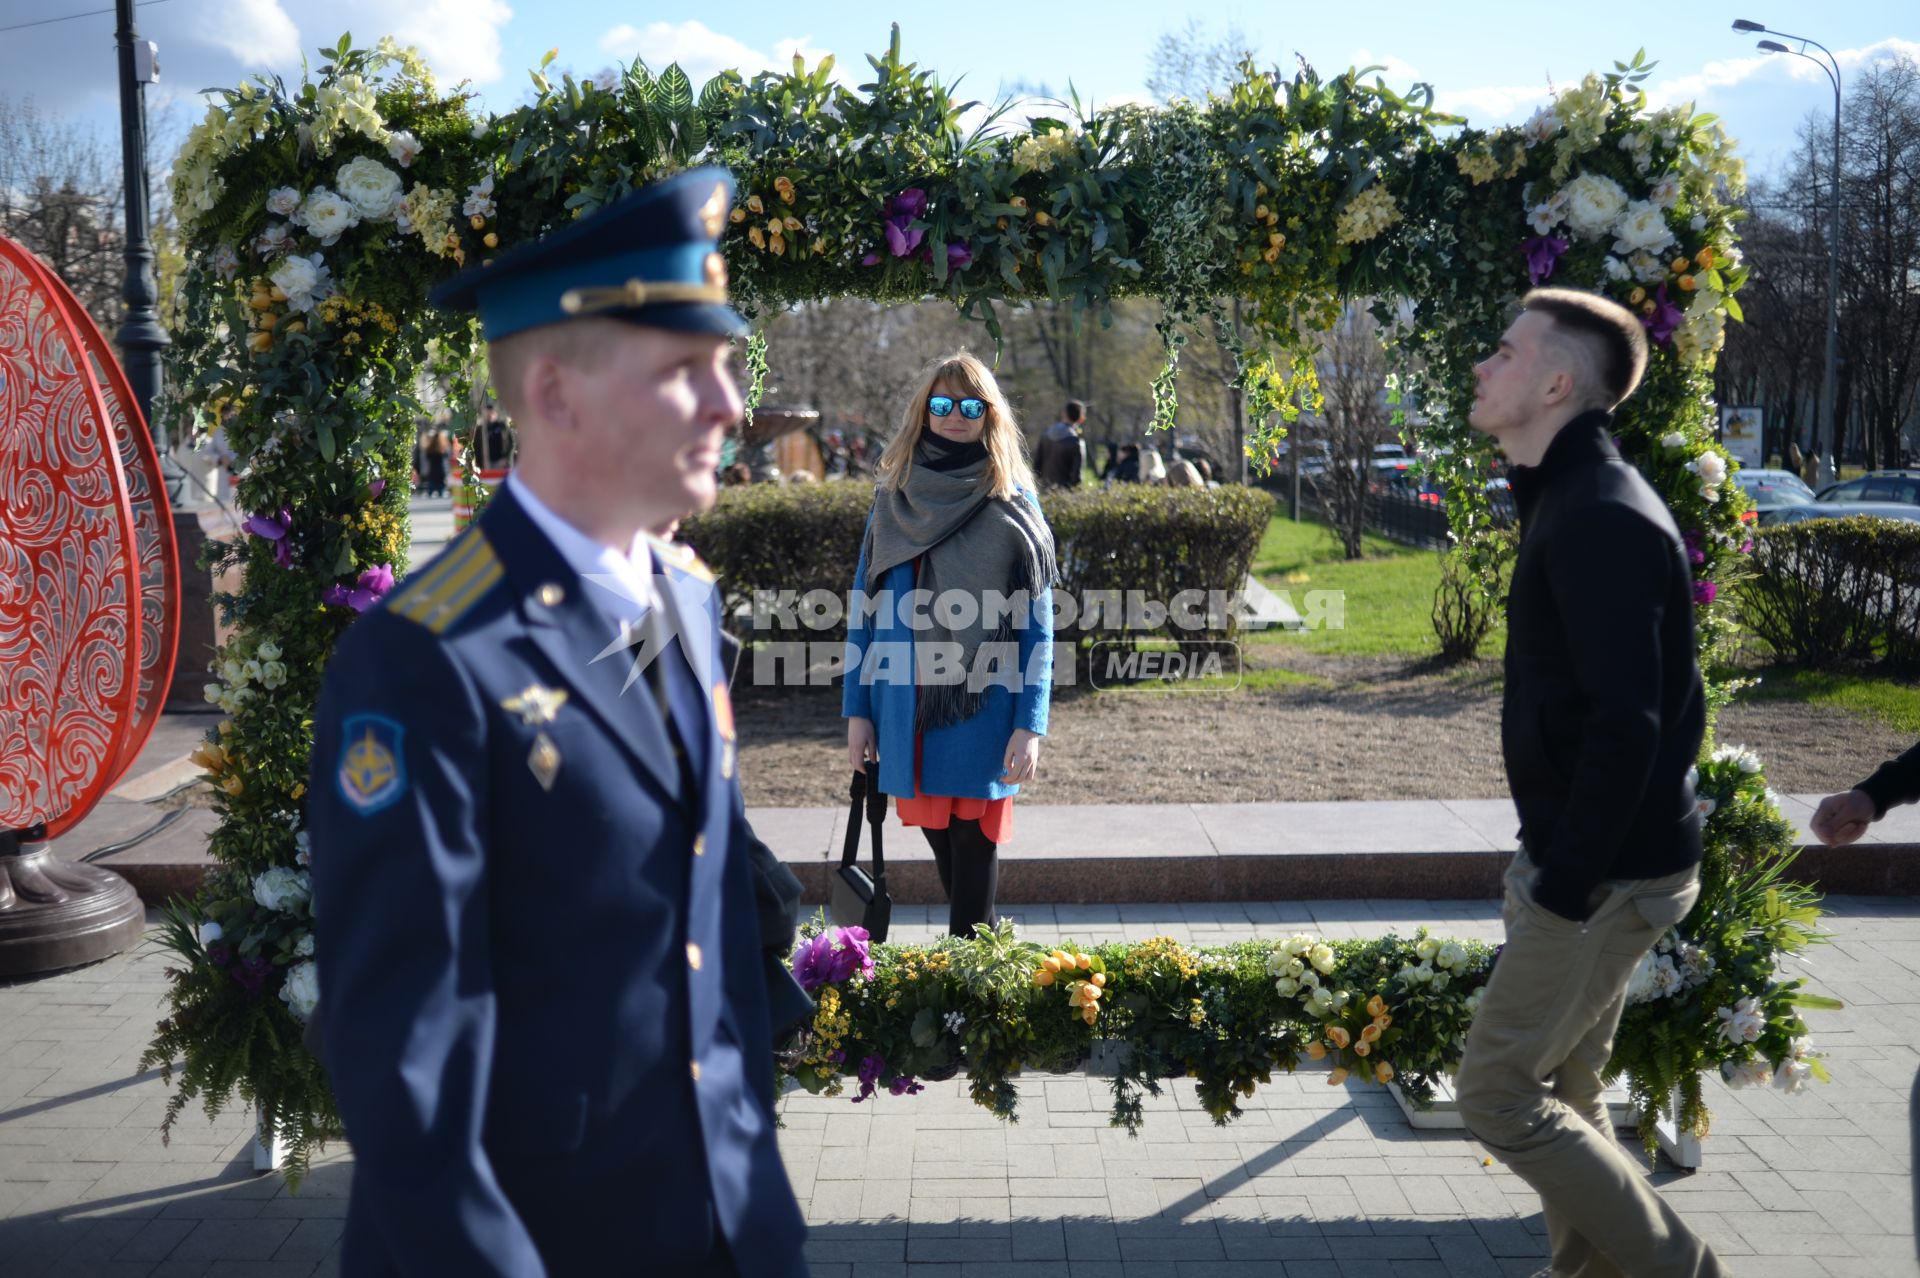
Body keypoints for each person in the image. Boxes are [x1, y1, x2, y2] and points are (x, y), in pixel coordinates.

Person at [307, 169, 806, 1278]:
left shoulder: (683, 591)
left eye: (724, 364)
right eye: (686, 370)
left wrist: (759, 1208)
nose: (731, 404)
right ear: (555, 394)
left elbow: (708, 929)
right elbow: (406, 1070)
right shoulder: (422, 657)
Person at [1452, 287, 1727, 1278]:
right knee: (1566, 1086)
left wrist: (1562, 885)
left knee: (1495, 1092)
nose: (1484, 367)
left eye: (1506, 350)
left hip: (1604, 878)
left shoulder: (1601, 515)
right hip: (1594, 865)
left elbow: (1634, 725)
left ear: (1558, 382)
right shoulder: (1570, 496)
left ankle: (1681, 1270)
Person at [842, 352, 1056, 938]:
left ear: (990, 416)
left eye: (970, 405)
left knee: (973, 842)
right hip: (907, 703)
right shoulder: (894, 496)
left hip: (985, 702)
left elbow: (1039, 624)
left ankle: (971, 988)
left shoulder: (1013, 499)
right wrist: (857, 711)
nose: (954, 415)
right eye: (941, 404)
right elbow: (865, 607)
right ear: (923, 413)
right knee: (943, 841)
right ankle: (982, 977)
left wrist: (1029, 723)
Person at [1035, 399, 1089, 489]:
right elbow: (1077, 477)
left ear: (1064, 414)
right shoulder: (1077, 443)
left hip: (1044, 491)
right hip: (1064, 496)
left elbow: (1037, 467)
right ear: (1082, 419)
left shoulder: (1046, 434)